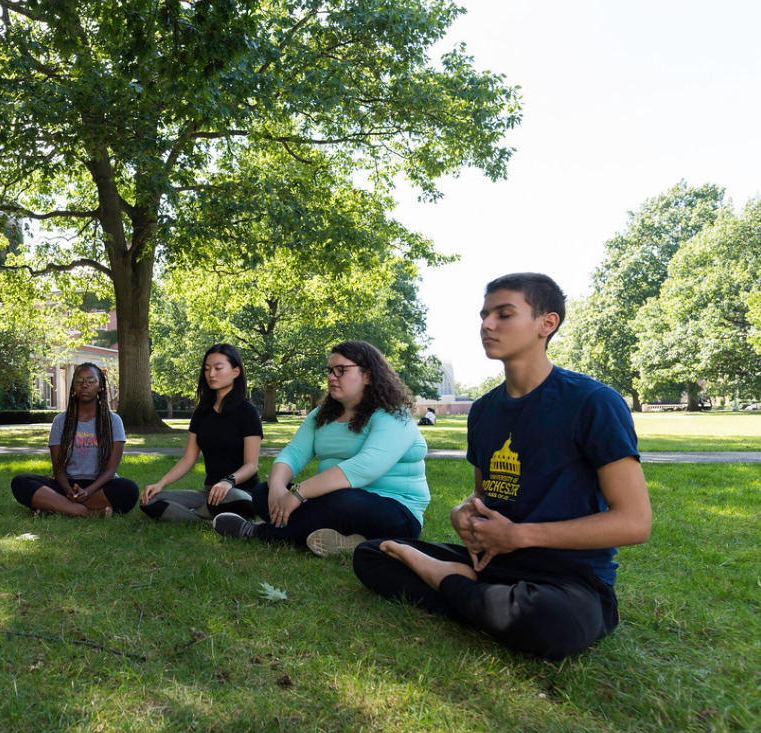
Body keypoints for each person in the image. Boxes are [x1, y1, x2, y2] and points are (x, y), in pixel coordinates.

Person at [352, 273, 652, 660]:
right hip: (491, 564)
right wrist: (461, 512)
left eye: (504, 314)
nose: (487, 325)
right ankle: (476, 595)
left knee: (550, 622)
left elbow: (634, 522)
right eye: (484, 315)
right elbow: (483, 493)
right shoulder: (484, 410)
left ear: (548, 323)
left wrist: (520, 536)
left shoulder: (594, 402)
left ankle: (445, 580)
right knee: (373, 554)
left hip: (565, 580)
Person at [213, 340, 429, 556]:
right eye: (330, 370)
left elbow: (367, 466)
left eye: (341, 370)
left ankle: (258, 532)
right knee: (263, 491)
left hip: (396, 514)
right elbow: (294, 453)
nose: (331, 377)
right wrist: (278, 489)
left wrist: (298, 494)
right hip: (334, 503)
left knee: (345, 500)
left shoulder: (393, 414)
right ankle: (351, 541)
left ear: (368, 376)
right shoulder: (321, 415)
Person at [139, 344, 263, 522]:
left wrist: (228, 481)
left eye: (218, 368)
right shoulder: (201, 412)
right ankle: (208, 519)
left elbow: (251, 465)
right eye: (207, 369)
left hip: (240, 491)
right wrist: (160, 484)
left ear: (235, 372)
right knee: (149, 501)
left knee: (232, 499)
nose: (211, 374)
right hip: (209, 491)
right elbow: (188, 459)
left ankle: (202, 514)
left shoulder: (247, 411)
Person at [10, 363, 138, 516]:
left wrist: (88, 491)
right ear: (73, 387)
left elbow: (111, 469)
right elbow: (58, 468)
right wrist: (69, 491)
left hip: (100, 486)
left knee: (129, 489)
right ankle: (89, 512)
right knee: (20, 482)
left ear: (100, 387)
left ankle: (57, 506)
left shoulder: (113, 420)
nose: (84, 385)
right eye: (79, 381)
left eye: (91, 381)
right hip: (67, 485)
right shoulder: (60, 421)